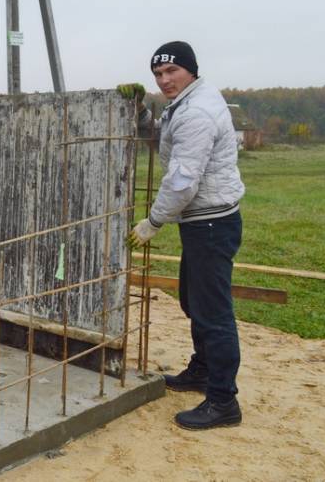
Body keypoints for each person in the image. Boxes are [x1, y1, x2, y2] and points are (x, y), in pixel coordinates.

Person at [124, 41, 245, 430]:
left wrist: (153, 222)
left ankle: (224, 401)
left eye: (171, 71)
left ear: (190, 69)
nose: (164, 80)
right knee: (195, 301)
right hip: (203, 222)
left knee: (213, 313)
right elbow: (165, 136)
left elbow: (182, 181)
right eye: (158, 75)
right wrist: (142, 112)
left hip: (210, 223)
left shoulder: (197, 112)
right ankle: (204, 370)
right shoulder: (189, 102)